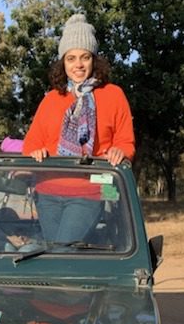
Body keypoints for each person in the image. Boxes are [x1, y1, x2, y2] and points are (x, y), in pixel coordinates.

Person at [22, 13, 135, 243]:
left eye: (85, 57)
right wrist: (36, 151)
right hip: (48, 192)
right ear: (63, 62)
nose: (78, 65)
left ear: (95, 60)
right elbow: (31, 144)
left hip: (90, 192)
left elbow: (126, 142)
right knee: (55, 254)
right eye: (71, 58)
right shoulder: (52, 99)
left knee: (62, 249)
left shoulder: (113, 95)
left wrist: (120, 151)